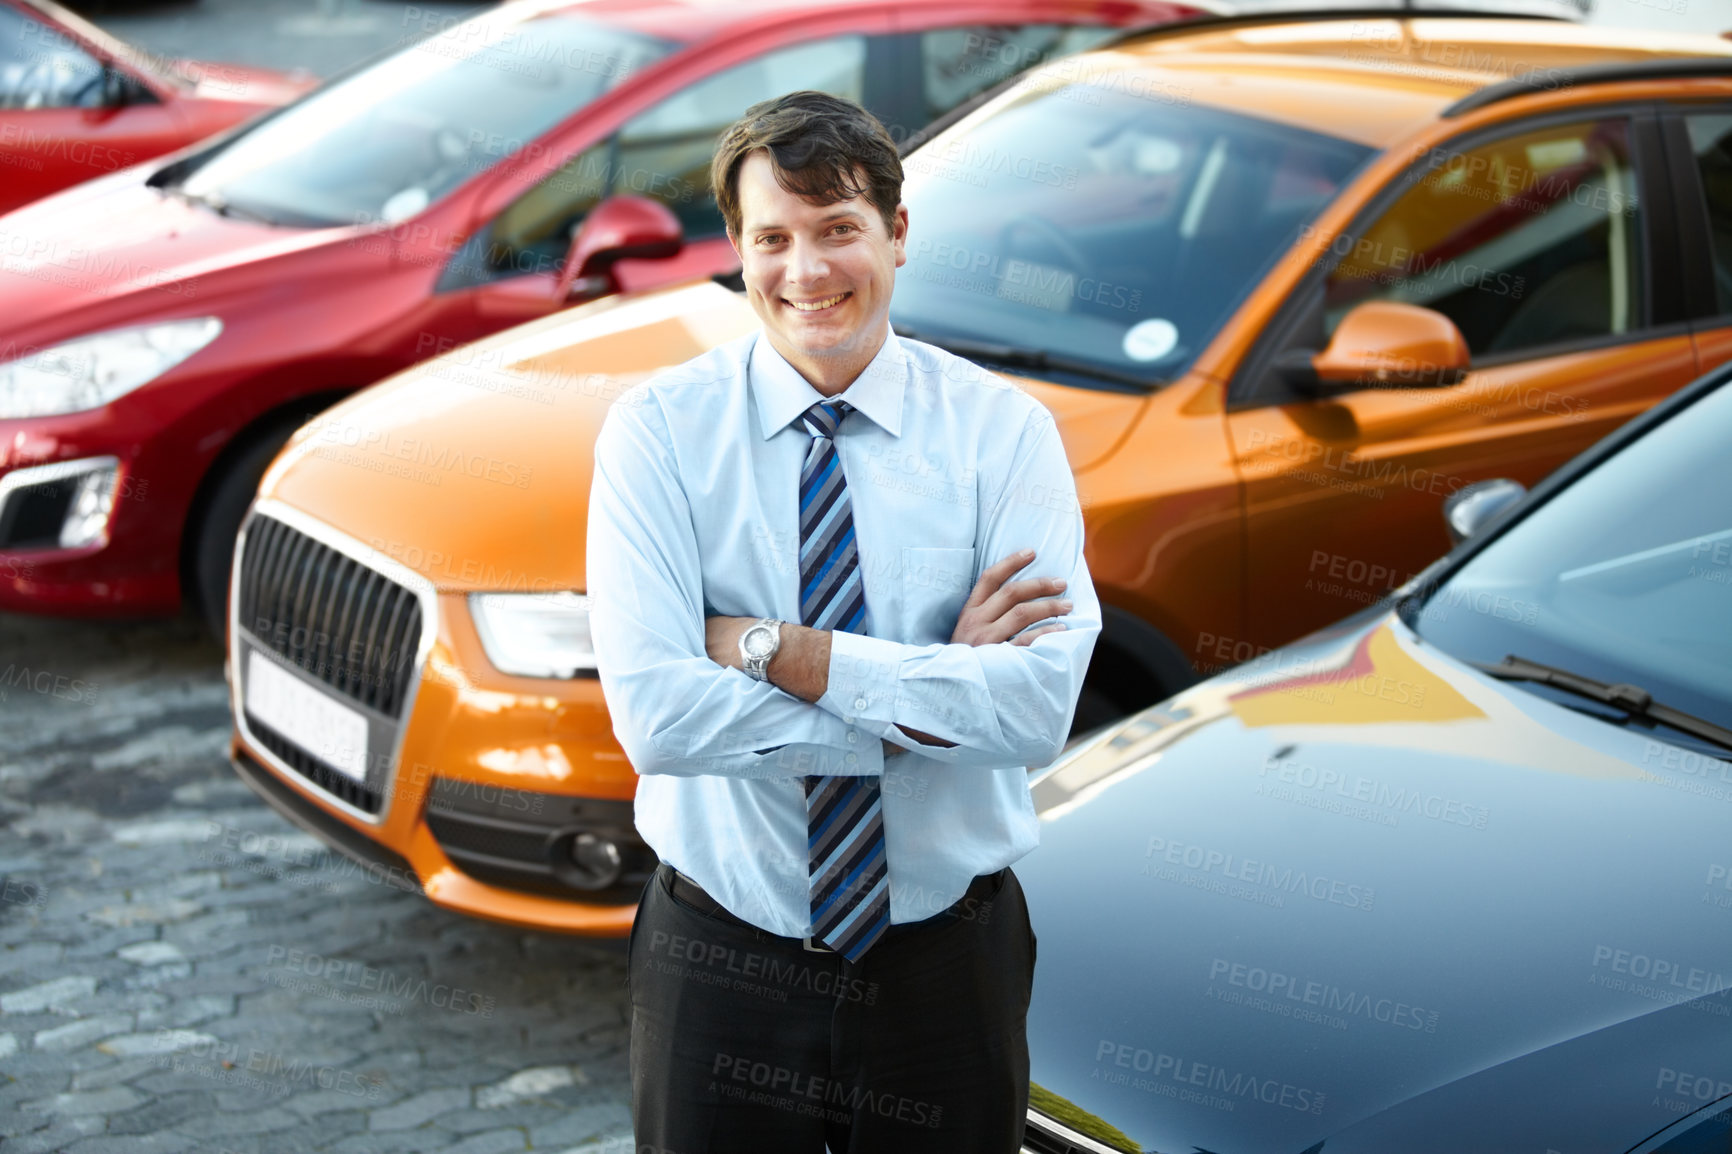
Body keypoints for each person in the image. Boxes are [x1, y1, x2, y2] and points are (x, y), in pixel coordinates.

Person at [587, 89, 1100, 1154]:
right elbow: (658, 721)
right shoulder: (659, 434)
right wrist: (932, 694)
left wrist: (786, 651)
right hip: (719, 959)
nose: (806, 271)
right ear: (736, 249)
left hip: (943, 967)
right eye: (772, 236)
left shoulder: (1004, 435)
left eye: (838, 230)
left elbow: (1038, 708)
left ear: (897, 234)